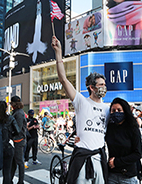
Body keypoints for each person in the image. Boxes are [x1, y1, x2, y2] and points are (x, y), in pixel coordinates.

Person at [52, 36, 110, 184]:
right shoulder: (81, 101)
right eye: (101, 84)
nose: (104, 87)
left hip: (99, 158)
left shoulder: (108, 109)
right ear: (92, 87)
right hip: (81, 159)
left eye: (104, 84)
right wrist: (58, 52)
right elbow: (63, 79)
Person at [105, 97, 142, 183]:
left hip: (128, 176)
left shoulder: (133, 128)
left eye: (119, 110)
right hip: (111, 175)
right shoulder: (109, 128)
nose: (116, 113)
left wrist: (117, 162)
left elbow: (137, 153)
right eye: (113, 110)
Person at [0, 101, 21, 184]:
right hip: (8, 146)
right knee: (7, 172)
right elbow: (18, 131)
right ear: (6, 108)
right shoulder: (10, 118)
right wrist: (10, 134)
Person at [10, 96, 27, 184]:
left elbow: (18, 129)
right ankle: (11, 179)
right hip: (16, 140)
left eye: (11, 103)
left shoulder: (19, 113)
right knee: (14, 162)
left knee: (19, 162)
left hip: (18, 140)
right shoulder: (17, 112)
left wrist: (10, 133)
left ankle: (21, 181)